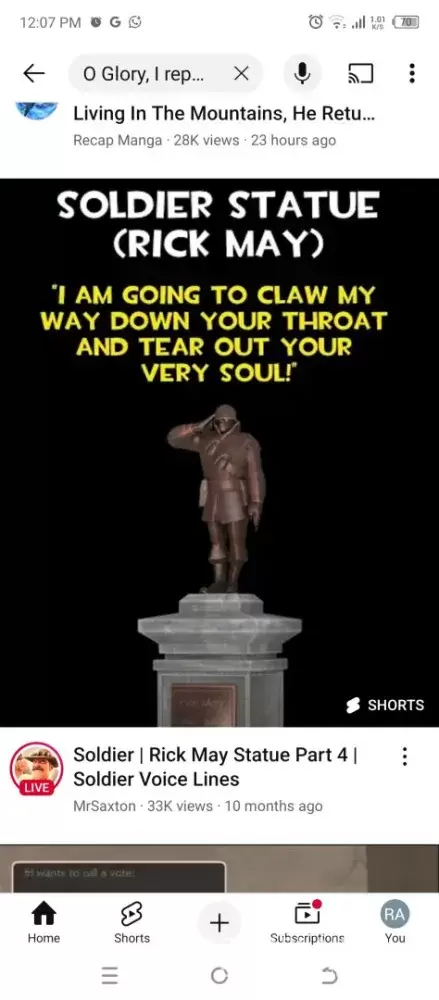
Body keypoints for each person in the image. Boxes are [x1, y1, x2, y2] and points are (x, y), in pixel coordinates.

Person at [167, 404, 265, 593]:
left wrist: (256, 501)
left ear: (234, 422)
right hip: (212, 496)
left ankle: (233, 582)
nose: (221, 424)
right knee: (216, 542)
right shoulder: (205, 439)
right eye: (218, 421)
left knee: (236, 542)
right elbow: (173, 439)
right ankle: (219, 581)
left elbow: (254, 473)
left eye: (225, 420)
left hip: (236, 496)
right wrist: (196, 426)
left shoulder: (246, 441)